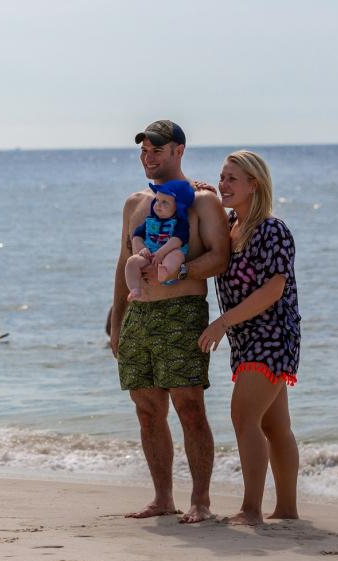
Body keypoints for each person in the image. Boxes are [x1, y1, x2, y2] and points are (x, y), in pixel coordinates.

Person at [111, 120, 230, 523]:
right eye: (144, 150)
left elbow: (219, 256)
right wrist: (116, 321)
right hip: (139, 316)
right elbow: (120, 264)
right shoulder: (134, 203)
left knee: (190, 407)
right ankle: (163, 498)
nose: (149, 156)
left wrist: (180, 272)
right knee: (146, 409)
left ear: (179, 151)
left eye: (157, 150)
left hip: (182, 312)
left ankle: (201, 501)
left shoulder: (202, 201)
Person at [198, 150, 301, 525]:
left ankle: (251, 510)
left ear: (253, 185)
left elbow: (274, 288)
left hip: (273, 334)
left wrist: (222, 322)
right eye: (221, 177)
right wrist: (202, 194)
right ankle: (287, 511)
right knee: (274, 426)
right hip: (246, 338)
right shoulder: (230, 226)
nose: (223, 184)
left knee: (243, 417)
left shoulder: (272, 230)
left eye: (231, 179)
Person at [125, 180, 195, 301]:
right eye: (157, 200)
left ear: (178, 206)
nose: (158, 205)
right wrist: (141, 250)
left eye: (165, 202)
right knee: (131, 261)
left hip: (168, 256)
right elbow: (136, 236)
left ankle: (165, 272)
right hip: (150, 256)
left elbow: (177, 240)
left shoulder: (179, 223)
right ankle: (135, 289)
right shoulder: (149, 221)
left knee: (177, 255)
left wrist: (161, 253)